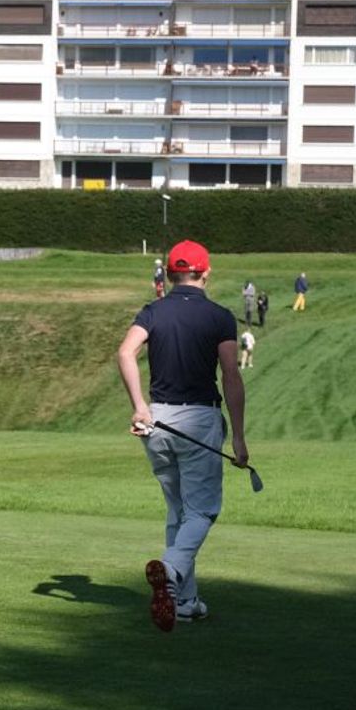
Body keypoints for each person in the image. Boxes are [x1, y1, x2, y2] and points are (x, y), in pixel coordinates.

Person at [116, 239, 248, 632]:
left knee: (178, 511)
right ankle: (171, 570)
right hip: (198, 421)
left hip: (157, 421)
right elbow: (231, 375)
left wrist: (139, 406)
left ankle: (186, 602)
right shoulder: (219, 316)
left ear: (171, 274)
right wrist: (239, 437)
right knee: (203, 511)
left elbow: (125, 352)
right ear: (206, 272)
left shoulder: (153, 311)